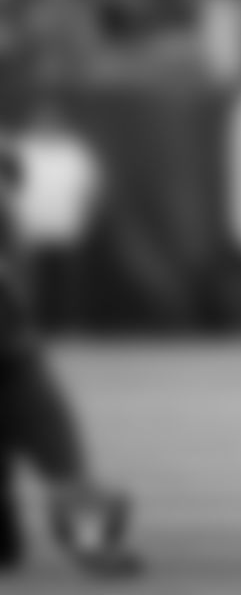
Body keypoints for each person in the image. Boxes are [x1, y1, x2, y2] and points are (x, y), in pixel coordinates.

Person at [0, 132, 142, 579]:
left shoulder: (8, 219)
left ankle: (92, 545)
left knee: (67, 466)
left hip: (16, 360)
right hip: (17, 356)